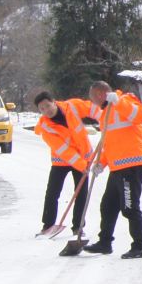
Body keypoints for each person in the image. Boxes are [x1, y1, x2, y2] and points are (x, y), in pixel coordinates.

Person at [84, 80, 142, 259]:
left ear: (99, 94)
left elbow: (140, 116)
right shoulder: (105, 113)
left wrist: (118, 102)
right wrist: (101, 163)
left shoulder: (126, 100)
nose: (92, 102)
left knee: (129, 207)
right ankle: (105, 242)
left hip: (132, 164)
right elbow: (109, 143)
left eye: (92, 97)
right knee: (108, 206)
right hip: (117, 166)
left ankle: (139, 246)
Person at [31, 89, 101, 255]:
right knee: (52, 192)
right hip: (62, 160)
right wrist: (81, 164)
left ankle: (78, 226)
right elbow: (64, 150)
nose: (47, 111)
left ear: (54, 102)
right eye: (42, 109)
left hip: (84, 157)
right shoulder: (45, 127)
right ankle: (48, 225)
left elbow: (92, 109)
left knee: (81, 192)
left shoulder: (73, 106)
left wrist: (106, 118)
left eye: (48, 106)